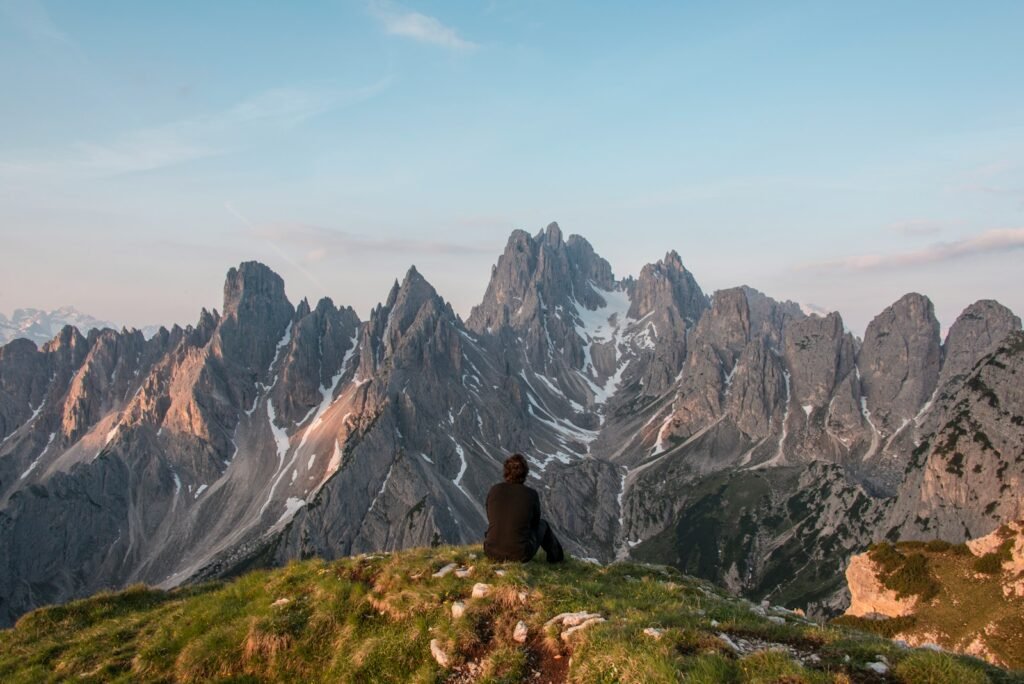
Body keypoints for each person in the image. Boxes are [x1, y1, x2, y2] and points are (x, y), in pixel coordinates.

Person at [483, 454, 565, 563]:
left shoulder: (494, 490)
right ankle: (556, 559)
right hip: (520, 554)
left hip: (490, 552)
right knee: (543, 524)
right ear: (525, 473)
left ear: (506, 471)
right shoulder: (530, 494)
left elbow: (490, 516)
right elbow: (535, 522)